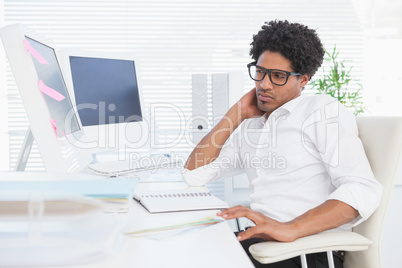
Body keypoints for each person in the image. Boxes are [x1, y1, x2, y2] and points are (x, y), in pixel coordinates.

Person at [182, 20, 382, 268]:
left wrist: (291, 228)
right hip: (261, 245)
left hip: (307, 251)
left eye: (278, 76)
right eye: (260, 72)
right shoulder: (252, 124)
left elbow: (363, 189)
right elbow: (194, 175)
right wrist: (236, 113)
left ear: (303, 80)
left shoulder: (320, 111)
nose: (264, 84)